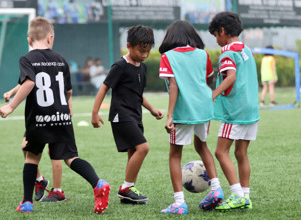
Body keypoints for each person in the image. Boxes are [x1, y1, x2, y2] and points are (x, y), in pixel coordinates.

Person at [0, 17, 110, 213]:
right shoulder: (60, 58)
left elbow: (29, 83)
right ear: (50, 38)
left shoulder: (26, 59)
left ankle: (27, 202)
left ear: (28, 40)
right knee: (71, 158)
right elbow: (68, 91)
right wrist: (69, 110)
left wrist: (10, 107)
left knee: (32, 159)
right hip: (61, 117)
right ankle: (98, 183)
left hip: (39, 118)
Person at [91, 25, 163, 204]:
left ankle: (128, 191)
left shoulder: (142, 67)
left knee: (134, 151)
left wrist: (152, 109)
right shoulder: (120, 66)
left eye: (147, 51)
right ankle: (125, 187)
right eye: (141, 50)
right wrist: (95, 113)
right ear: (129, 46)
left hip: (135, 114)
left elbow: (138, 94)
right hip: (121, 115)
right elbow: (104, 87)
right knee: (143, 148)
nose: (145, 55)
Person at [158, 20, 224, 215]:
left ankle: (179, 202)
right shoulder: (203, 54)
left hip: (182, 112)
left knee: (175, 155)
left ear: (170, 38)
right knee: (202, 146)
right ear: (192, 36)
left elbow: (174, 86)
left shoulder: (168, 57)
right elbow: (209, 79)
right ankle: (217, 189)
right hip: (204, 110)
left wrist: (169, 116)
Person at [208, 11, 260, 211]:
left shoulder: (227, 53)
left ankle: (237, 195)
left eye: (216, 36)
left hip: (235, 111)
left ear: (222, 31)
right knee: (241, 153)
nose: (217, 41)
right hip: (251, 109)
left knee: (221, 152)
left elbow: (231, 77)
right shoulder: (246, 49)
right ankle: (246, 196)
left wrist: (212, 95)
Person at [4, 85, 66, 202]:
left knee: (53, 151)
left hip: (55, 111)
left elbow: (67, 89)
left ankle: (57, 191)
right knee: (25, 147)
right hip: (38, 114)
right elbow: (26, 81)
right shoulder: (33, 67)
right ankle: (40, 180)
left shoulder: (56, 67)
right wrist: (11, 92)